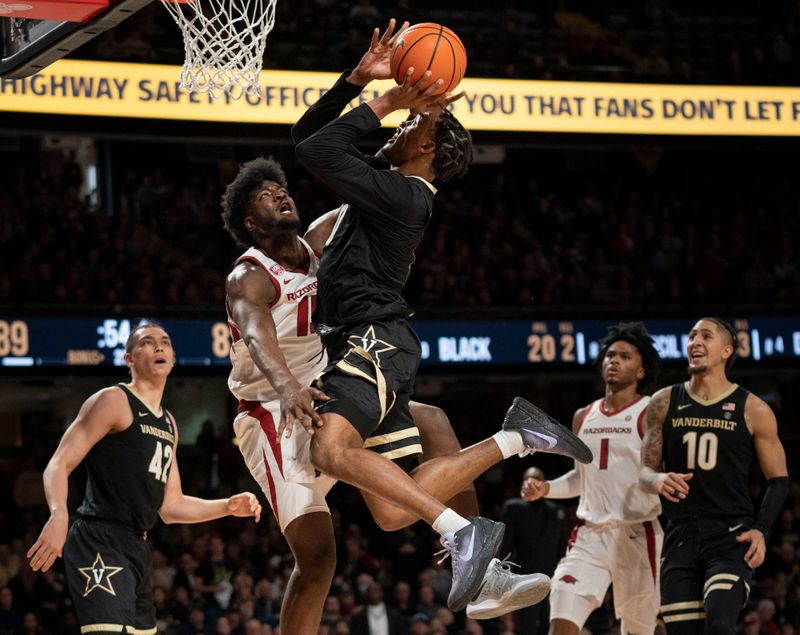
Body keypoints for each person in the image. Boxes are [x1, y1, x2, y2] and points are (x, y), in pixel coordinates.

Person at [291, 17, 592, 614]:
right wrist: (355, 81)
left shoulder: (402, 195)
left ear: (425, 149)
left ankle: (466, 534)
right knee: (390, 510)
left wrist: (391, 98)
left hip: (370, 343)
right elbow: (311, 133)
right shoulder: (388, 184)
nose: (399, 129)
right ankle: (515, 437)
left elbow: (315, 149)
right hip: (375, 343)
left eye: (408, 129)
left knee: (328, 449)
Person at [221, 153, 570, 631]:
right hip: (273, 414)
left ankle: (484, 571)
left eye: (282, 189)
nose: (281, 195)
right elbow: (256, 331)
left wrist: (404, 147)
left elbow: (364, 193)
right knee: (320, 557)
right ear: (249, 221)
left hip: (329, 391)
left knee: (431, 426)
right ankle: (510, 447)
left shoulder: (319, 242)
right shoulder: (249, 274)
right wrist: (286, 387)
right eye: (266, 195)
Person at [26, 322, 261, 635]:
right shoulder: (113, 401)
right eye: (147, 343)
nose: (159, 347)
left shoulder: (169, 423)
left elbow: (170, 506)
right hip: (99, 538)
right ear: (129, 360)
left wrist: (227, 506)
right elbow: (58, 463)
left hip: (137, 546)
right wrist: (58, 513)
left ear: (173, 358)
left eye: (164, 342)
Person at [639, 317, 789, 634]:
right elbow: (645, 471)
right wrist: (657, 480)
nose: (695, 342)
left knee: (720, 623)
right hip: (679, 534)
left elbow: (779, 479)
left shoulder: (753, 409)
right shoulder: (663, 402)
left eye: (706, 336)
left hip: (731, 534)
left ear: (726, 351)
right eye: (692, 335)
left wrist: (761, 529)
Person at [526, 322, 663, 635]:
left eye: (625, 356)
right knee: (561, 620)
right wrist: (545, 488)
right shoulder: (583, 415)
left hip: (638, 534)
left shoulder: (651, 412)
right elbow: (580, 479)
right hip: (590, 536)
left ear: (641, 371)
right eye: (610, 355)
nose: (614, 360)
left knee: (642, 630)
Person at [498, 467, 569, 633]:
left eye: (536, 478)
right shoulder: (513, 508)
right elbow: (506, 547)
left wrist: (563, 579)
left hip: (552, 580)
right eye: (528, 479)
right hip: (524, 580)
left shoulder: (558, 511)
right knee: (526, 626)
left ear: (544, 483)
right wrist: (505, 580)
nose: (531, 483)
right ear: (522, 484)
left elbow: (563, 550)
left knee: (550, 625)